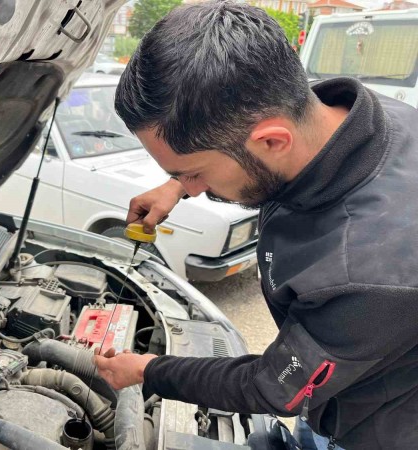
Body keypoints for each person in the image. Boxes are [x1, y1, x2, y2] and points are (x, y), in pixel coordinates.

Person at [92, 2, 418, 449]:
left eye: (195, 171)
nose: (194, 186)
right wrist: (177, 185)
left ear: (271, 141)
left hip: (372, 425)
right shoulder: (337, 115)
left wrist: (146, 370)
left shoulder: (368, 274)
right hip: (335, 369)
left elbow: (273, 388)